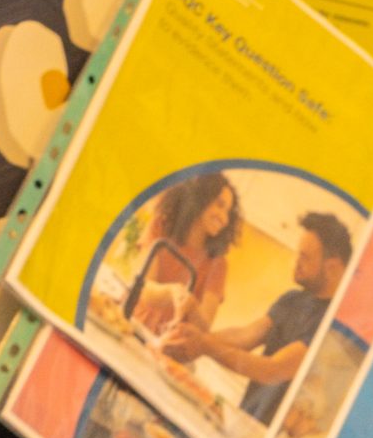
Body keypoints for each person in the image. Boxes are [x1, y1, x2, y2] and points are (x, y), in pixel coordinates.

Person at [165, 211, 352, 424]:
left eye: (305, 257)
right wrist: (188, 337)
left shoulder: (333, 325)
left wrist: (204, 345)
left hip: (274, 435)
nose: (295, 261)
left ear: (332, 267)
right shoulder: (292, 299)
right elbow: (245, 335)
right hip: (247, 418)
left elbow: (273, 370)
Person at [127, 170, 241, 334]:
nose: (224, 219)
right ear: (200, 198)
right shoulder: (161, 226)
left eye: (228, 212)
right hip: (130, 323)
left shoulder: (218, 264)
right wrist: (172, 292)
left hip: (165, 343)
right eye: (220, 205)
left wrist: (192, 308)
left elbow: (203, 328)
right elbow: (143, 289)